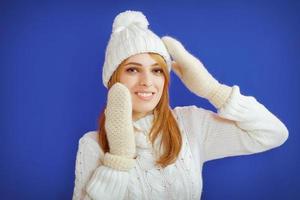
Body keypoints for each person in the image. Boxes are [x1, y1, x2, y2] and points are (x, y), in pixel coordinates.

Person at [72, 10, 289, 200]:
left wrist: (215, 91)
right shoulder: (92, 145)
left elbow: (273, 134)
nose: (147, 81)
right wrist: (118, 160)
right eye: (133, 69)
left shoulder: (190, 124)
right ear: (114, 80)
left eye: (157, 70)